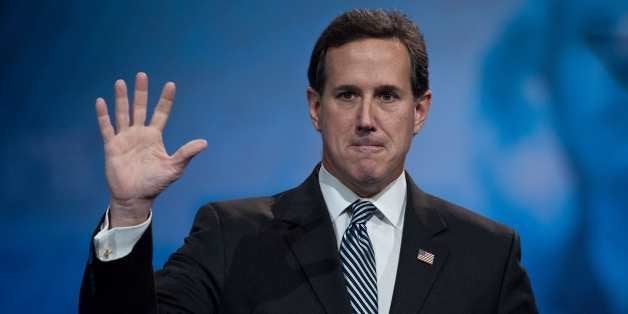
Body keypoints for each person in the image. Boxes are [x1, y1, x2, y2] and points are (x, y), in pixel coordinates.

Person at [79, 9, 537, 314]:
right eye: (347, 95)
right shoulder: (231, 237)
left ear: (419, 111)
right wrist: (129, 212)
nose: (366, 119)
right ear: (315, 108)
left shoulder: (488, 254)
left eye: (388, 96)